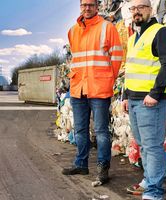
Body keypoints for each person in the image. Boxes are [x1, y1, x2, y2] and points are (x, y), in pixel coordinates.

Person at [62, 0, 123, 186]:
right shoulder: (73, 31)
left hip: (99, 88)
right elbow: (75, 59)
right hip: (78, 88)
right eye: (83, 5)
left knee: (101, 131)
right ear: (80, 7)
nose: (87, 8)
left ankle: (103, 168)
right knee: (80, 130)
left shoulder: (107, 27)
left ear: (97, 7)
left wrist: (107, 79)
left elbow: (117, 57)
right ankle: (81, 164)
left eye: (90, 4)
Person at [122, 0, 166, 199]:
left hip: (151, 101)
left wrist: (155, 93)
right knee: (143, 144)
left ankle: (154, 192)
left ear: (150, 10)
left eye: (141, 8)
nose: (137, 12)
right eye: (133, 9)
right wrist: (126, 96)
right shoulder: (133, 37)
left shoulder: (161, 32)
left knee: (153, 146)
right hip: (135, 99)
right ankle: (148, 181)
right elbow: (131, 70)